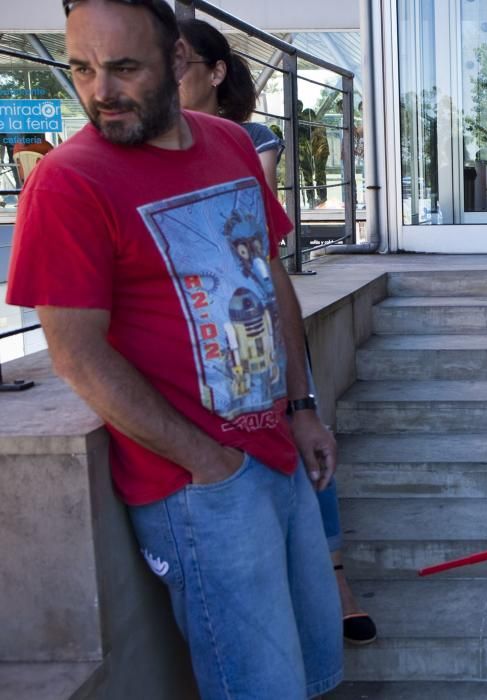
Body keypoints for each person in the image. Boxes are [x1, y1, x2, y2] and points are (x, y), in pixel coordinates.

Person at [5, 1, 343, 697]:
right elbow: (74, 353)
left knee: (311, 665)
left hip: (277, 445)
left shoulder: (229, 143)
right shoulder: (68, 182)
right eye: (82, 68)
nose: (100, 91)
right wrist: (207, 463)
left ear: (179, 63)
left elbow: (268, 273)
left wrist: (302, 404)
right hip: (198, 487)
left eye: (124, 68)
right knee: (256, 686)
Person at [178, 17, 377, 646]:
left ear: (215, 72)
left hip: (254, 310)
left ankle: (336, 579)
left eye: (182, 61)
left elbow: (253, 221)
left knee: (304, 421)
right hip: (197, 331)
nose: (167, 74)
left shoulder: (250, 137)